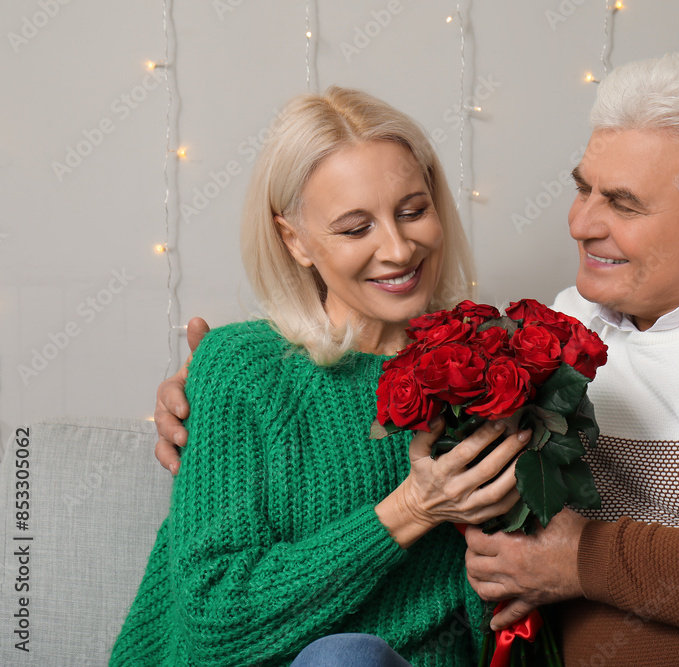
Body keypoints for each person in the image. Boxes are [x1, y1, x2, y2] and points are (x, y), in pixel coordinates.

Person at [156, 55, 679, 665]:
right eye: (584, 189)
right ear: (293, 237)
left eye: (622, 203)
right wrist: (220, 394)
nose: (580, 223)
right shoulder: (550, 333)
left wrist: (578, 558)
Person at [114, 87, 530, 666]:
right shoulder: (242, 370)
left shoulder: (493, 366)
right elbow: (213, 620)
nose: (398, 247)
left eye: (413, 210)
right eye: (356, 228)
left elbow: (503, 614)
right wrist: (410, 510)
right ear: (294, 240)